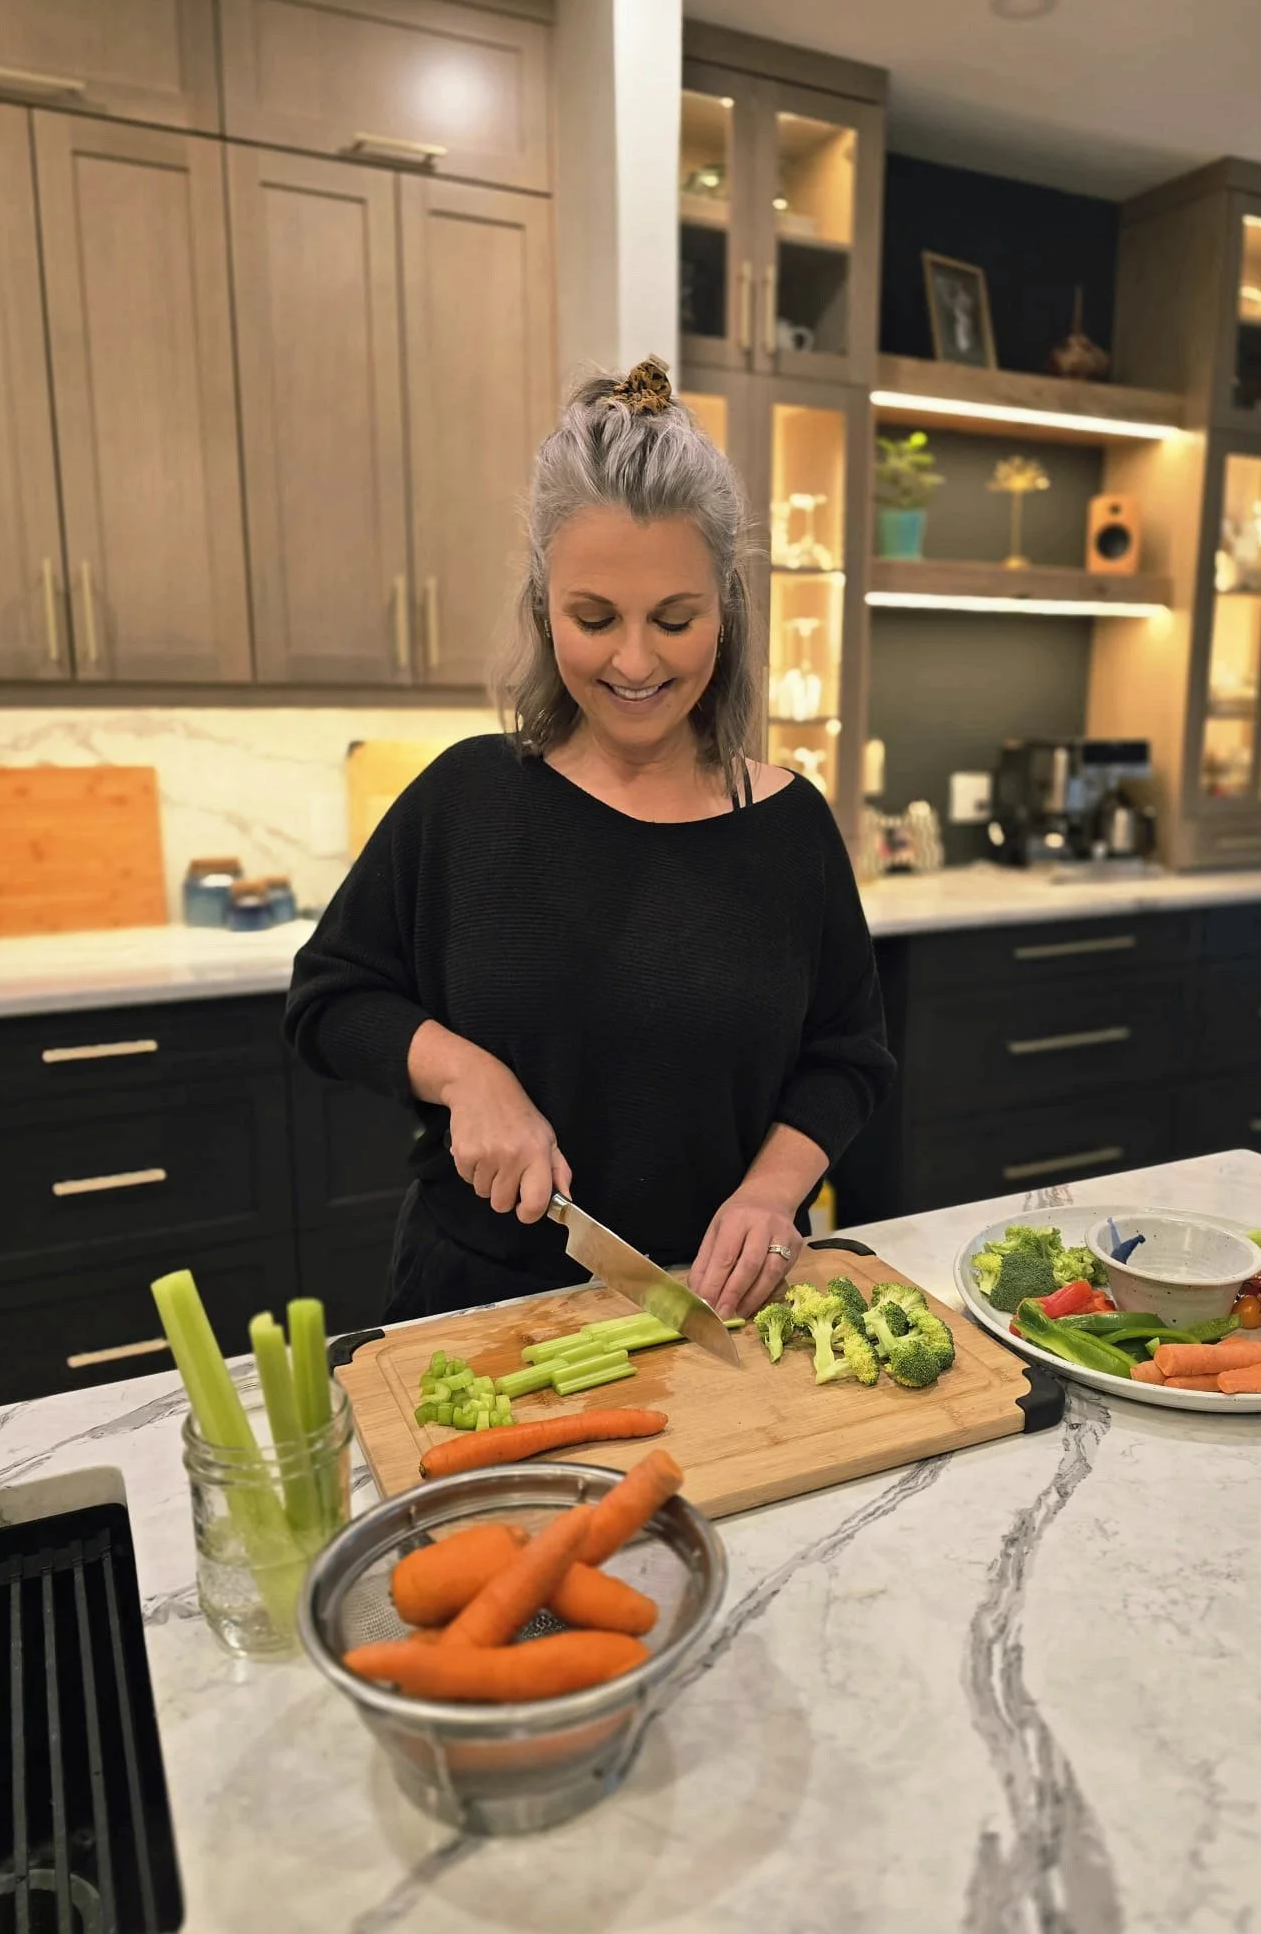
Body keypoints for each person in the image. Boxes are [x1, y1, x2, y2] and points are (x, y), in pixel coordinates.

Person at [284, 358, 893, 1325]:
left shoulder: (789, 829)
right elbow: (330, 998)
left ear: (726, 614)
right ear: (543, 607)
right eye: (595, 618)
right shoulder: (467, 801)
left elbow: (848, 1057)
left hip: (715, 1300)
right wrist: (467, 1075)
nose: (636, 660)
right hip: (478, 1310)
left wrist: (772, 1194)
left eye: (675, 619)